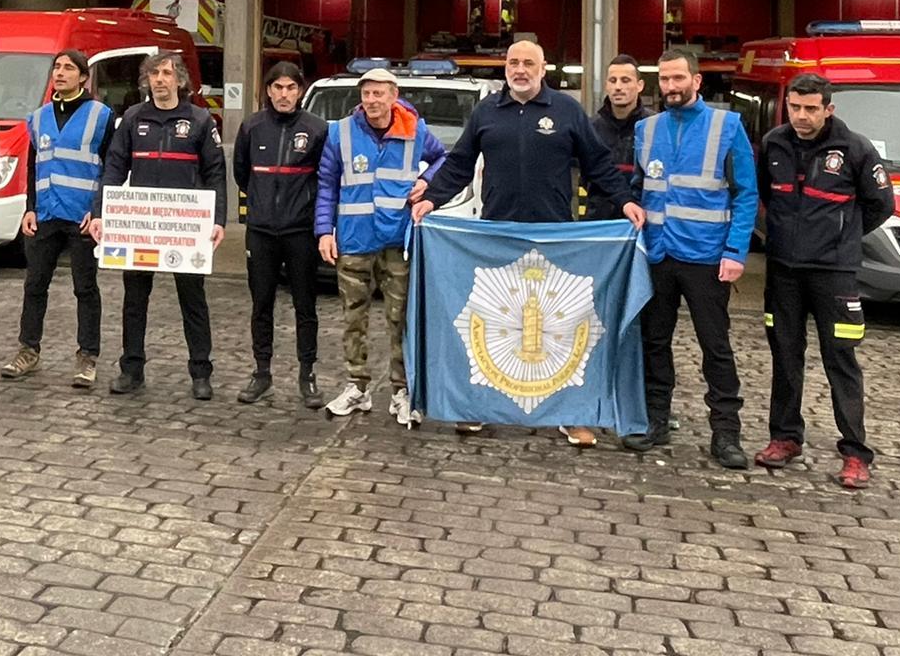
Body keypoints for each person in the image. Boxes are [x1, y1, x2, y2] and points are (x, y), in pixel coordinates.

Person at [415, 39, 645, 443]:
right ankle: (476, 407)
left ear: (543, 69)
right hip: (497, 239)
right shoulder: (486, 112)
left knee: (563, 327)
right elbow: (459, 163)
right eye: (513, 62)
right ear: (505, 67)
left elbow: (598, 164)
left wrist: (625, 200)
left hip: (554, 237)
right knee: (490, 325)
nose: (520, 69)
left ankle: (571, 414)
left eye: (528, 63)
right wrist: (432, 198)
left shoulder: (567, 111)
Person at [755, 73, 893, 490]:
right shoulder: (774, 144)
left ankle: (854, 452)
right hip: (784, 272)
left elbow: (881, 204)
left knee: (841, 360)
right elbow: (764, 195)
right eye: (795, 107)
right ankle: (784, 437)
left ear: (828, 109)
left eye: (811, 108)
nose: (801, 115)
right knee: (785, 355)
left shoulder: (855, 149)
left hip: (834, 274)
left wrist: (842, 238)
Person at [624, 49, 759, 469]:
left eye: (679, 78)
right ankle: (656, 420)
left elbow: (747, 194)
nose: (671, 86)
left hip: (706, 257)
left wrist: (736, 252)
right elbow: (638, 186)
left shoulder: (727, 126)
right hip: (659, 254)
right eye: (664, 79)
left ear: (697, 81)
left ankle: (726, 433)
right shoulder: (645, 130)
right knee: (654, 342)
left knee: (715, 347)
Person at [87, 52, 226, 399]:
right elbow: (114, 168)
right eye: (153, 73)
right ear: (146, 80)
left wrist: (218, 219)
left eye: (166, 73)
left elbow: (215, 174)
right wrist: (101, 211)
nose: (160, 79)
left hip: (186, 230)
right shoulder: (133, 118)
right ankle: (131, 369)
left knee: (193, 300)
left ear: (180, 80)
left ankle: (200, 373)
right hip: (140, 226)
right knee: (134, 300)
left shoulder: (199, 119)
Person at [316, 66, 446, 427]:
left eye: (378, 94)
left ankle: (402, 391)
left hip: (396, 239)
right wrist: (324, 230)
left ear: (393, 94)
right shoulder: (340, 132)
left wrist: (427, 182)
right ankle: (357, 386)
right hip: (354, 239)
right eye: (366, 94)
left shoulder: (415, 130)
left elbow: (442, 159)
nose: (371, 101)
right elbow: (327, 184)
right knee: (352, 318)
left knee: (399, 319)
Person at [3, 50, 115, 389]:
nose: (60, 73)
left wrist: (98, 211)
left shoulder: (102, 115)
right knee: (34, 284)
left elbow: (111, 166)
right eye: (57, 67)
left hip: (82, 217)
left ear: (84, 77)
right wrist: (30, 208)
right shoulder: (38, 118)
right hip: (46, 213)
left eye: (69, 68)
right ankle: (28, 350)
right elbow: (35, 165)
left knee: (85, 288)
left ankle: (87, 356)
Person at [232, 61, 328, 408]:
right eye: (277, 88)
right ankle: (261, 372)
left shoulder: (317, 129)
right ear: (267, 91)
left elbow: (325, 179)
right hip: (261, 231)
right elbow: (242, 174)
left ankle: (308, 374)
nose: (283, 94)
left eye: (290, 88)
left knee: (306, 304)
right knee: (261, 304)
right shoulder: (251, 127)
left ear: (300, 91)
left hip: (300, 232)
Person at [585, 54, 655, 222]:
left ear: (640, 85)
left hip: (644, 222)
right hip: (598, 225)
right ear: (606, 86)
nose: (618, 87)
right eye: (613, 80)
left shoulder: (654, 127)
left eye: (625, 80)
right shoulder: (590, 128)